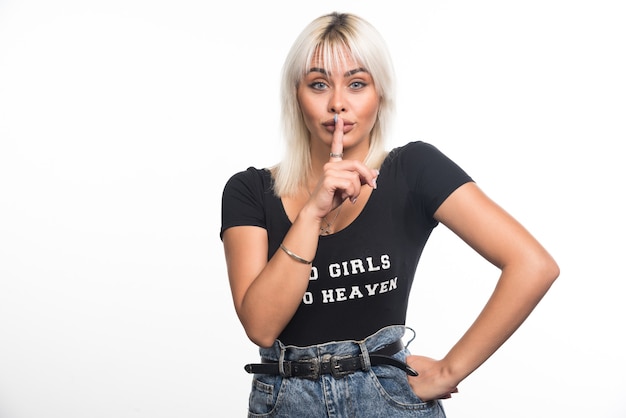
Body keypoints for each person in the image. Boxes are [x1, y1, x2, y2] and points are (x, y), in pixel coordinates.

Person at [220, 11, 559, 418]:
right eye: (319, 84)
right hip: (286, 401)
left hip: (389, 398)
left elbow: (533, 265)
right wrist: (311, 213)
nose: (338, 103)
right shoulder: (249, 191)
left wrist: (450, 370)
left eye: (357, 84)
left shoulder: (413, 170)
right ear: (297, 95)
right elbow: (260, 327)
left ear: (381, 95)